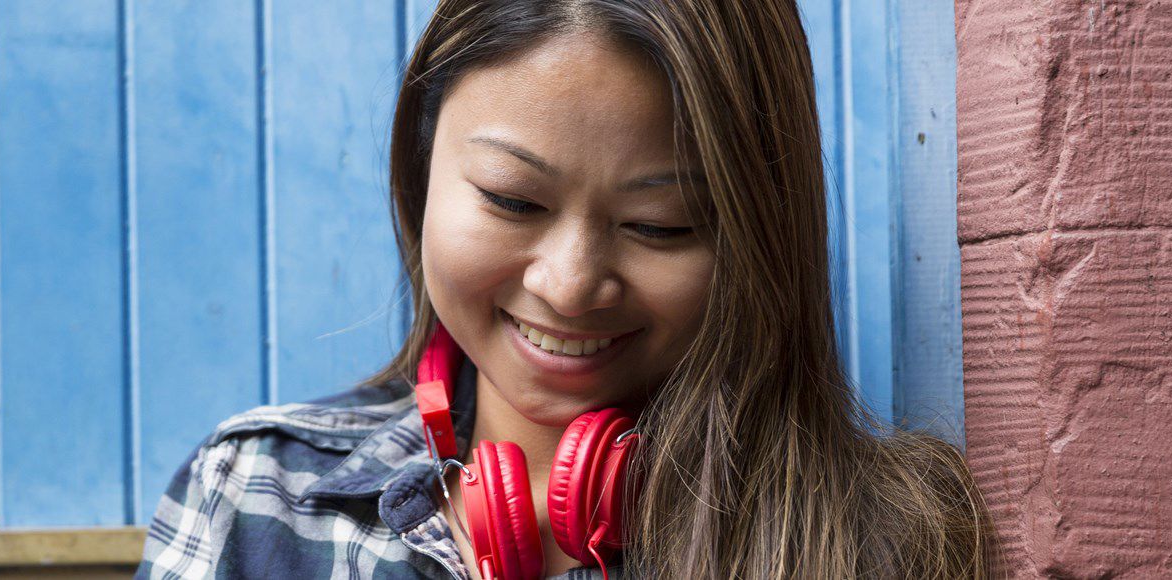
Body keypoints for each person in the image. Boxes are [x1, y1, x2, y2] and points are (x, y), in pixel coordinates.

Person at [135, 0, 990, 578]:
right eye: (513, 201)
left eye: (662, 225)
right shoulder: (253, 492)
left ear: (757, 239)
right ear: (419, 169)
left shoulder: (885, 542)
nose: (570, 285)